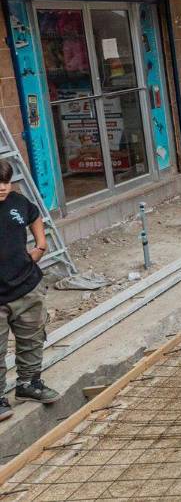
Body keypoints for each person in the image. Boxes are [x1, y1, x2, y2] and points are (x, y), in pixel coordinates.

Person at [0, 162, 61, 421]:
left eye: (5, 182)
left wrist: (41, 246)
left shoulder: (17, 201)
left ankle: (29, 384)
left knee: (32, 338)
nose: (2, 188)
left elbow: (35, 217)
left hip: (27, 286)